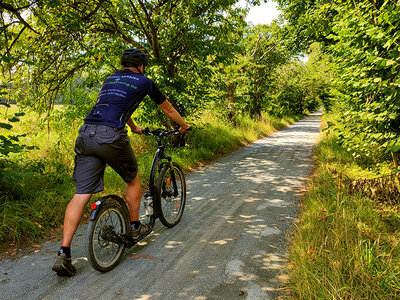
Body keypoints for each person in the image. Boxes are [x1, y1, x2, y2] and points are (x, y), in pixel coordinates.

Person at [52, 48, 191, 277]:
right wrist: (183, 126)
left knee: (81, 195)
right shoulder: (144, 81)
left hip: (86, 134)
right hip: (110, 136)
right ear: (141, 66)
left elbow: (114, 105)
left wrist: (134, 128)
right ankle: (135, 227)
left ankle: (63, 253)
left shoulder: (111, 79)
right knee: (133, 179)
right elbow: (168, 108)